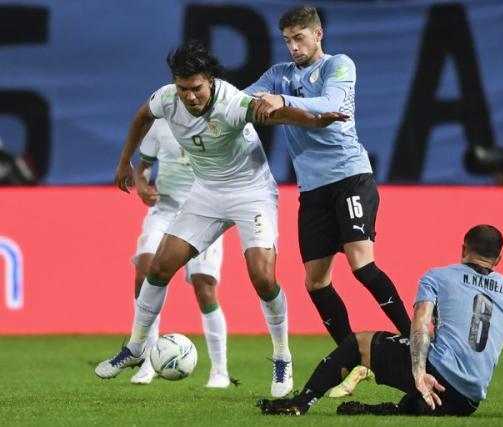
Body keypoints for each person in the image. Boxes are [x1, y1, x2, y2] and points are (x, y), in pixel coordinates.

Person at [94, 40, 348, 398]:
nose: (190, 97)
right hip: (207, 194)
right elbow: (142, 116)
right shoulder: (167, 98)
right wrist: (125, 162)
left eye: (196, 88)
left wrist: (317, 120)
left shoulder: (232, 103)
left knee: (262, 277)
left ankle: (281, 355)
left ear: (210, 81)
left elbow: (279, 115)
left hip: (251, 194)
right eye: (184, 89)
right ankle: (136, 348)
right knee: (159, 267)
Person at [243, 6, 411, 396]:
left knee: (361, 264)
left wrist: (277, 101)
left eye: (299, 38)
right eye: (287, 40)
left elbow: (331, 104)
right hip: (312, 190)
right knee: (316, 282)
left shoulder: (339, 65)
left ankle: (416, 343)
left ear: (318, 34)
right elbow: (244, 101)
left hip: (350, 177)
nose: (293, 46)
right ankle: (352, 355)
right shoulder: (278, 73)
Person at [259, 224, 503, 416]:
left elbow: (419, 325)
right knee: (422, 396)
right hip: (467, 400)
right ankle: (396, 409)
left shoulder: (438, 276)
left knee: (358, 343)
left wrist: (419, 374)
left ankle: (302, 402)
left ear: (462, 248)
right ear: (499, 259)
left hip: (435, 378)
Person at [128, 118, 229, 388]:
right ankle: (149, 359)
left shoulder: (218, 123)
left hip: (205, 212)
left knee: (204, 285)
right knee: (145, 271)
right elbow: (143, 169)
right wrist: (142, 186)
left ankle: (220, 370)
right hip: (165, 211)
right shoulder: (160, 125)